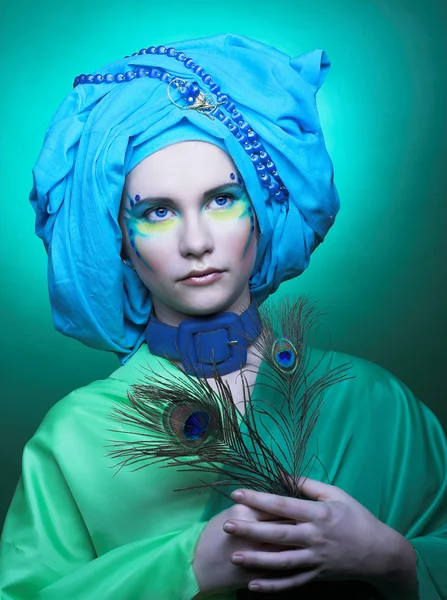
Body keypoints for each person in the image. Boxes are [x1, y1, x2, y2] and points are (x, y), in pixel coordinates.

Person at [0, 33, 446, 600]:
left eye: (221, 200)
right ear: (118, 242)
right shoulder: (75, 435)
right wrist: (188, 565)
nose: (196, 242)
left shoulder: (374, 401)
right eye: (158, 212)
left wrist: (393, 558)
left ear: (261, 211)